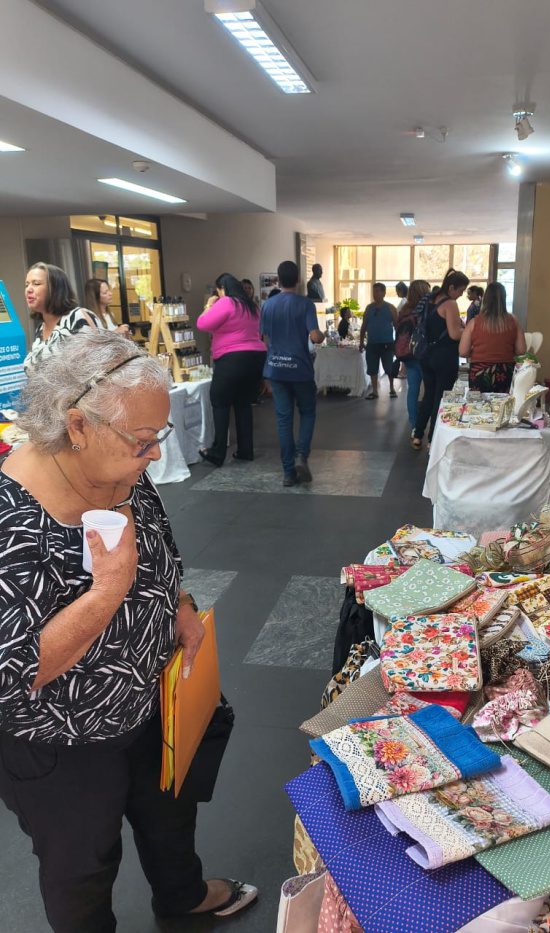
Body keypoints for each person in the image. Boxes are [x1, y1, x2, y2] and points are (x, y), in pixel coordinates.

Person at [0, 331, 257, 932]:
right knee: (80, 863)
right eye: (143, 441)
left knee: (171, 812)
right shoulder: (10, 518)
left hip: (151, 697)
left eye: (158, 437)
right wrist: (108, 592)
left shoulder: (120, 468)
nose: (153, 455)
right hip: (61, 738)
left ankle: (183, 896)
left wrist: (181, 603)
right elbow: (14, 668)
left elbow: (162, 551)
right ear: (77, 424)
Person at [261, 260, 325, 487]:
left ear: (278, 280)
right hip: (300, 369)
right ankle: (301, 456)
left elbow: (264, 337)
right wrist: (322, 335)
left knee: (283, 419)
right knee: (307, 412)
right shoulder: (305, 304)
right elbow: (315, 336)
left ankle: (288, 473)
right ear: (298, 279)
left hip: (276, 369)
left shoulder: (268, 305)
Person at [196, 273, 267, 465]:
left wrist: (210, 305)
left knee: (220, 401)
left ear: (222, 289)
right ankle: (246, 450)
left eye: (218, 291)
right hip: (256, 358)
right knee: (243, 403)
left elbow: (202, 323)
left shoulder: (227, 302)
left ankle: (217, 453)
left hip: (232, 358)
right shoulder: (252, 306)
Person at [411, 268, 469, 448]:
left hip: (425, 355)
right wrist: (468, 331)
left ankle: (418, 435)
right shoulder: (450, 304)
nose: (460, 295)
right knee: (441, 397)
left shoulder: (429, 299)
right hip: (444, 357)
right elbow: (454, 334)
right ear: (451, 287)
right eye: (460, 290)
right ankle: (433, 440)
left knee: (428, 395)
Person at [23, 262, 97, 371]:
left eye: (36, 283)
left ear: (55, 289)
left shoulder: (77, 317)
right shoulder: (40, 328)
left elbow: (96, 364)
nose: (29, 289)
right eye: (27, 284)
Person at [459, 281, 526, 392]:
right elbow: (521, 350)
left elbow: (463, 351)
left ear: (485, 299)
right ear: (504, 299)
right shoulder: (513, 320)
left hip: (480, 371)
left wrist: (478, 351)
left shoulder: (474, 322)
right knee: (503, 406)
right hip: (505, 371)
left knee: (479, 407)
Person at [395, 279, 430, 433]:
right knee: (429, 390)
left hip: (407, 354)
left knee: (413, 388)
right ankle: (427, 424)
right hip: (423, 354)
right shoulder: (425, 309)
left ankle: (414, 425)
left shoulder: (404, 310)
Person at [359, 283, 398, 399]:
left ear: (384, 293)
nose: (375, 294)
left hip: (387, 343)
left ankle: (391, 388)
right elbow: (364, 326)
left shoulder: (391, 308)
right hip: (372, 344)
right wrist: (361, 342)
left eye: (378, 291)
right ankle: (375, 391)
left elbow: (397, 326)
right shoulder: (369, 308)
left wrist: (397, 344)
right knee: (372, 368)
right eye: (374, 291)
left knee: (389, 367)